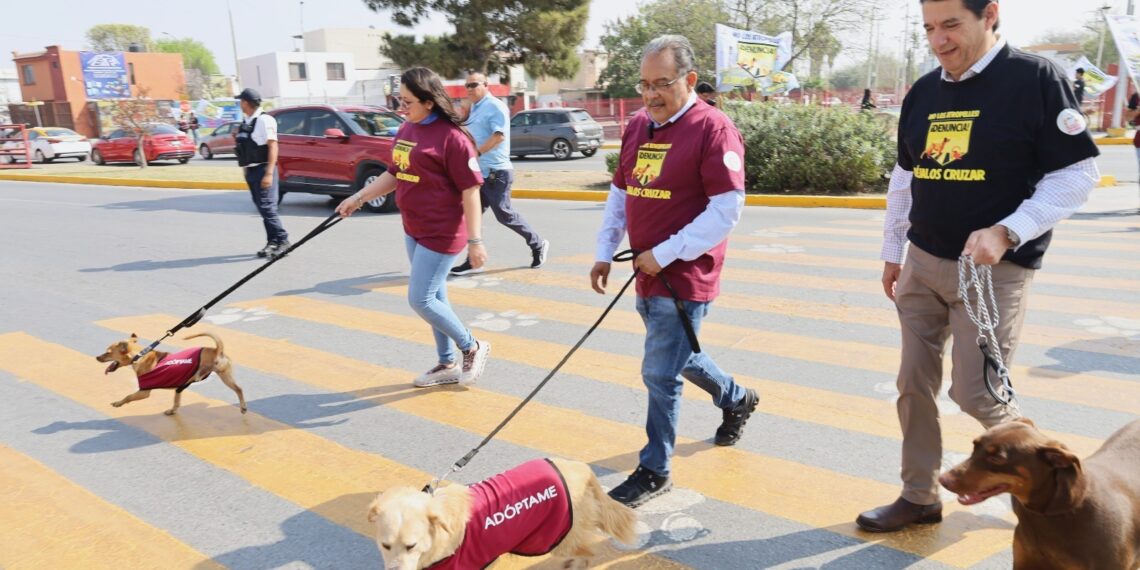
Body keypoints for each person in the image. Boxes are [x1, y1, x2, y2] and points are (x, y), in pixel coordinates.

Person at [856, 0, 1100, 533]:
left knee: (977, 393)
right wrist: (893, 251)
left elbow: (1077, 174)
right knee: (912, 386)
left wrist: (1008, 230)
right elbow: (905, 177)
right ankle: (919, 496)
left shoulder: (1035, 79)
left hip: (991, 274)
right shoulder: (924, 92)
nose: (939, 40)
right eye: (929, 28)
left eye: (951, 25)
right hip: (922, 262)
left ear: (989, 14)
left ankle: (1054, 495)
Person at [590, 35, 759, 509]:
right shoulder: (638, 126)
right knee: (678, 356)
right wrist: (604, 250)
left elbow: (726, 210)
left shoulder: (713, 128)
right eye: (644, 85)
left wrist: (664, 254)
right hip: (646, 271)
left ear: (689, 80)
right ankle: (736, 397)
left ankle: (655, 469)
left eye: (662, 84)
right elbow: (621, 193)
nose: (651, 95)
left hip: (683, 276)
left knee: (659, 372)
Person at [335, 67, 492, 387]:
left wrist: (475, 241)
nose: (401, 107)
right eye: (399, 100)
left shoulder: (453, 138)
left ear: (429, 102)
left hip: (442, 231)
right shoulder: (407, 129)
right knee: (436, 297)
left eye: (407, 102)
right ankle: (447, 363)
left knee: (421, 299)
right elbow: (395, 173)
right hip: (414, 227)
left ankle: (471, 346)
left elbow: (471, 190)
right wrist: (359, 197)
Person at [450, 72, 549, 276]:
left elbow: (498, 137)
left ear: (486, 85)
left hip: (497, 173)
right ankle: (473, 260)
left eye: (474, 85)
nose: (469, 89)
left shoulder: (495, 106)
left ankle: (538, 244)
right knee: (470, 215)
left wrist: (476, 153)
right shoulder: (474, 108)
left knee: (504, 215)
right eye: (467, 85)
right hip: (479, 173)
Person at [233, 88, 290, 259]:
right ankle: (272, 242)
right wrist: (246, 170)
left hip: (264, 169)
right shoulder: (247, 121)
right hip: (251, 170)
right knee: (262, 208)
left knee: (267, 207)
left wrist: (269, 173)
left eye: (241, 101)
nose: (240, 104)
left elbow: (273, 146)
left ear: (246, 102)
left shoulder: (265, 120)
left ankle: (283, 240)